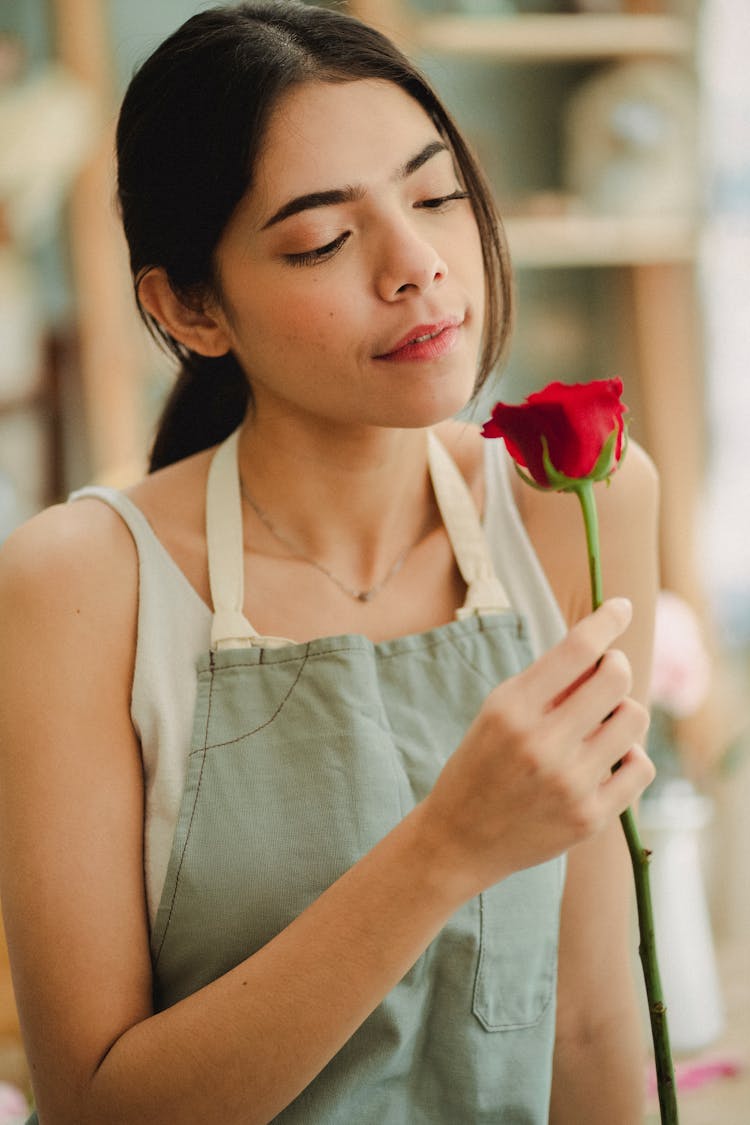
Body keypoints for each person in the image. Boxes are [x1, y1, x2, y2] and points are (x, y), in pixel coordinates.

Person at [0, 3, 659, 1122]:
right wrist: (445, 849)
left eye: (438, 193)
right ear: (190, 309)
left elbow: (589, 1021)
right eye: (321, 240)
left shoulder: (577, 498)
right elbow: (95, 1105)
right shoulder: (77, 583)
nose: (417, 266)